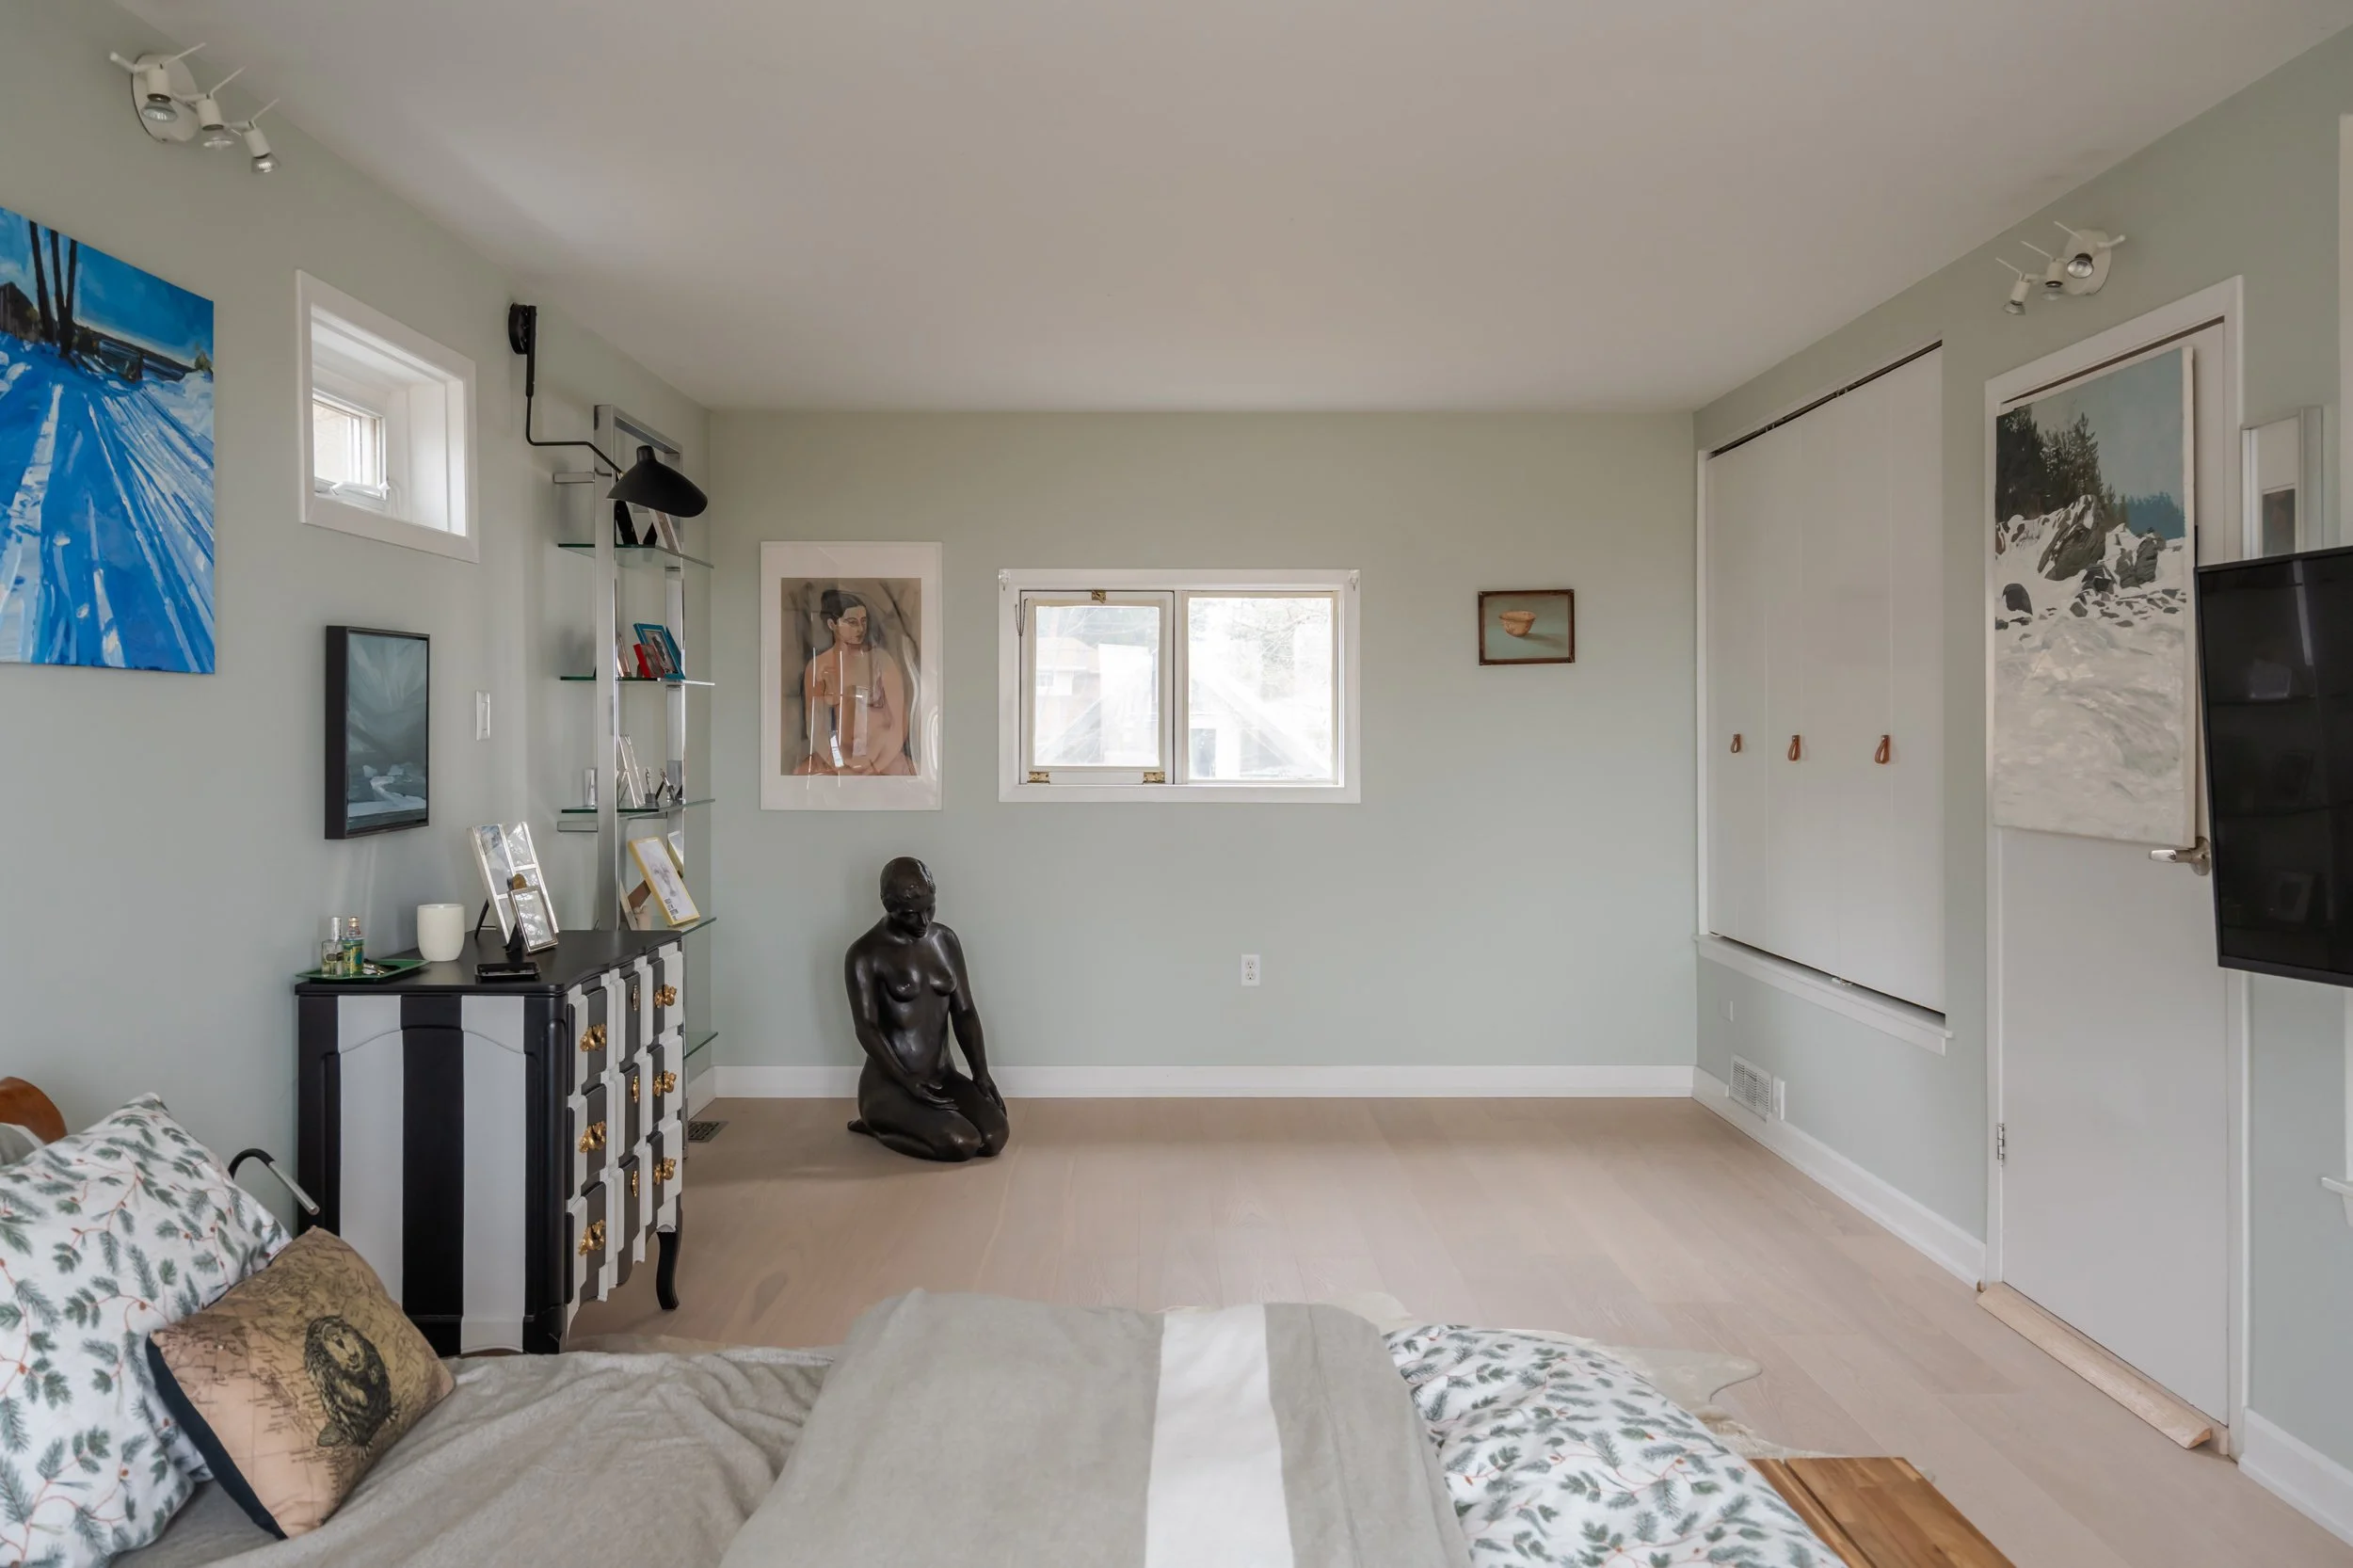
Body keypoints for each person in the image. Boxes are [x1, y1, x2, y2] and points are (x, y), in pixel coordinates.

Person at [843, 857, 1009, 1163]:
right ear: (887, 906)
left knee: (995, 1136)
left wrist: (981, 1074)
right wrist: (906, 1080)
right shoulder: (865, 953)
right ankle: (877, 1123)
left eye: (929, 908)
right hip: (891, 1084)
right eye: (910, 914)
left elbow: (965, 1012)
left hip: (942, 1075)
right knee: (961, 1143)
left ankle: (910, 1122)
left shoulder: (945, 940)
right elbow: (866, 1027)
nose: (923, 922)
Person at [792, 588, 916, 776]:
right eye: (852, 622)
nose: (860, 629)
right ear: (832, 624)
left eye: (863, 622)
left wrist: (876, 765)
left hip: (884, 757)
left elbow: (900, 723)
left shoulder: (881, 661)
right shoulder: (818, 667)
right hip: (834, 759)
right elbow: (816, 727)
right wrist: (838, 764)